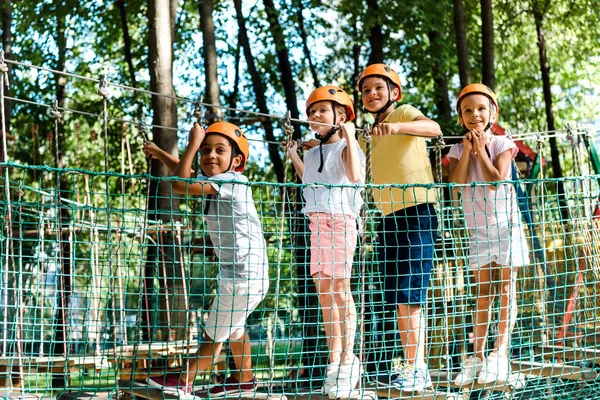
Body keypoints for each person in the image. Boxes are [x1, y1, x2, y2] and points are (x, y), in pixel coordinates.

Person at [143, 121, 269, 399]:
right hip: (249, 275)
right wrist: (160, 153)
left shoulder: (233, 180)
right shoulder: (221, 182)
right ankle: (244, 379)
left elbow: (180, 183)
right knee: (234, 328)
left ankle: (184, 379)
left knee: (214, 334)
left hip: (242, 277)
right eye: (205, 150)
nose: (210, 155)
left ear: (236, 161)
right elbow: (184, 171)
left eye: (219, 150)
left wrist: (192, 143)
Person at [357, 63, 440, 392]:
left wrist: (397, 128)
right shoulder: (369, 133)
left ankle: (418, 367)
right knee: (395, 295)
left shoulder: (403, 113)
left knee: (410, 291)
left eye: (379, 88)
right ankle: (408, 363)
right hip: (388, 217)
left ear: (395, 93)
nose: (372, 94)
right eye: (366, 90)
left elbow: (433, 128)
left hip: (417, 210)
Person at [286, 86, 365, 398]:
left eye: (321, 111)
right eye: (311, 112)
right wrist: (294, 154)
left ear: (341, 116)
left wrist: (351, 136)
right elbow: (310, 180)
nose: (314, 117)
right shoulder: (312, 151)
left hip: (341, 221)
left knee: (340, 289)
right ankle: (334, 358)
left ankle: (349, 357)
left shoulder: (348, 147)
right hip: (316, 222)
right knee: (323, 291)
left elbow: (356, 175)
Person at [448, 84, 529, 385]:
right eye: (467, 111)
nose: (474, 115)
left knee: (506, 289)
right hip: (478, 230)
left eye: (481, 109)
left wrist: (481, 149)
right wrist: (469, 150)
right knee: (482, 294)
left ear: (492, 113)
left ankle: (500, 353)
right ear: (460, 118)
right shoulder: (457, 149)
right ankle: (477, 356)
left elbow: (496, 180)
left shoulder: (502, 143)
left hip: (506, 226)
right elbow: (455, 184)